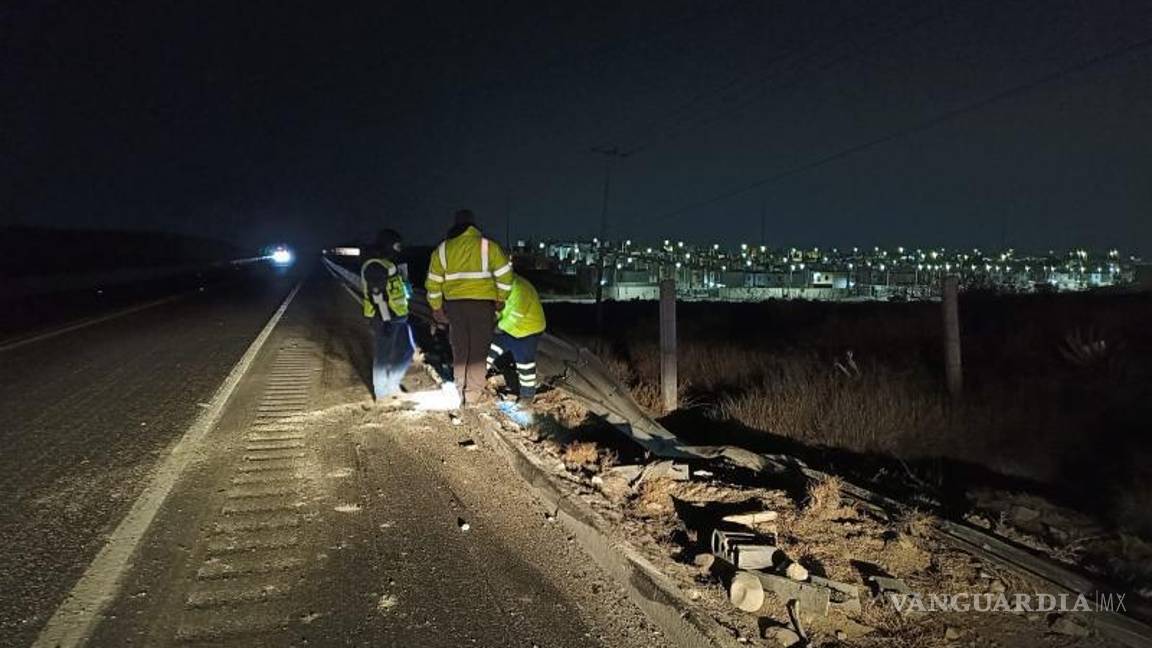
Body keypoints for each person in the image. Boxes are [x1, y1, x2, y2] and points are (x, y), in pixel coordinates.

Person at [425, 209, 512, 406]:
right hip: (482, 307)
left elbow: (433, 283)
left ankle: (459, 390)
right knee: (478, 352)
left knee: (460, 349)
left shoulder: (443, 249)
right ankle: (472, 395)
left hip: (454, 307)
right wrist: (501, 298)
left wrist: (436, 308)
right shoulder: (488, 246)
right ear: (473, 225)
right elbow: (506, 277)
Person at [361, 229, 415, 401]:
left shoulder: (390, 265)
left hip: (399, 317)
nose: (399, 249)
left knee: (406, 350)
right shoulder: (375, 266)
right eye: (396, 245)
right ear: (387, 245)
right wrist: (386, 320)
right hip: (385, 318)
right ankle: (382, 394)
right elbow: (377, 296)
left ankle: (392, 385)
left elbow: (399, 290)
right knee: (383, 356)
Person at [487, 272, 546, 402]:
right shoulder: (499, 286)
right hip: (509, 326)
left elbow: (516, 316)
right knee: (490, 350)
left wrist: (498, 327)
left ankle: (527, 396)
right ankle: (476, 379)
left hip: (527, 329)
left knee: (525, 364)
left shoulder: (520, 289)